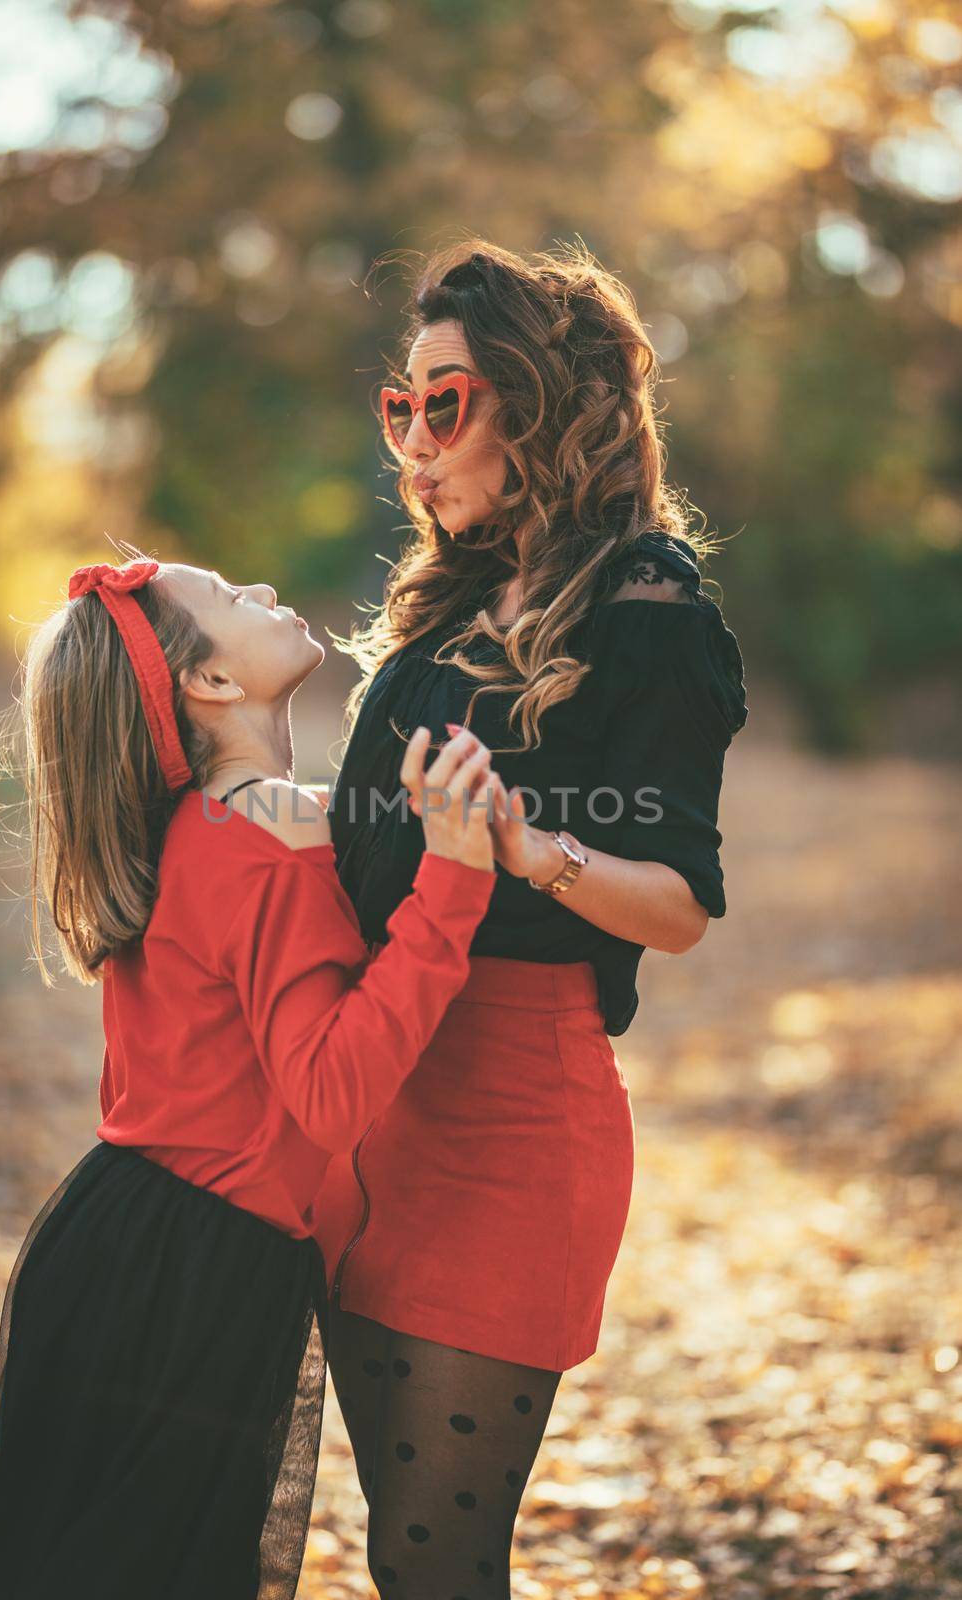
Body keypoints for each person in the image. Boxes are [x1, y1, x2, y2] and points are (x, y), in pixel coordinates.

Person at [311, 241, 750, 1597]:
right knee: (399, 1557)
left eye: (444, 401)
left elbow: (675, 907)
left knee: (443, 1568)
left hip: (510, 1121)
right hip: (368, 1103)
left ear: (539, 404)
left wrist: (518, 844)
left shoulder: (644, 599)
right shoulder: (438, 608)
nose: (415, 440)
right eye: (403, 405)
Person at [0, 552, 498, 1600]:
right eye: (227, 598)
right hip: (190, 1266)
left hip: (123, 1243)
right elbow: (329, 1092)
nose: (261, 593)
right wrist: (453, 885)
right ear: (208, 684)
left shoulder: (208, 822)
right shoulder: (269, 830)